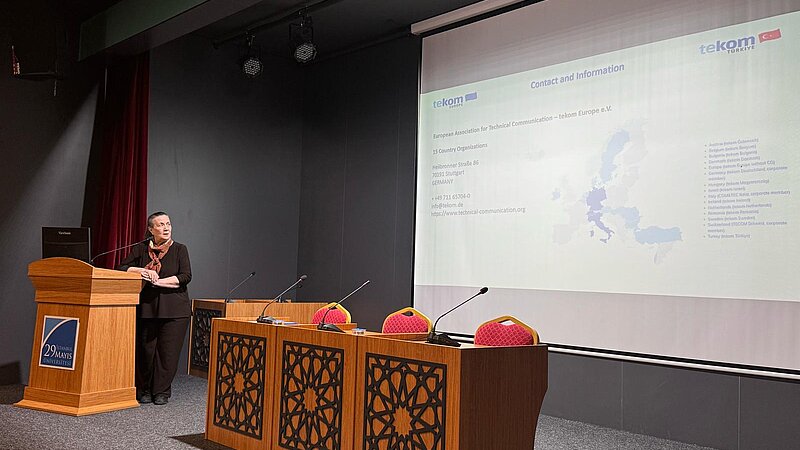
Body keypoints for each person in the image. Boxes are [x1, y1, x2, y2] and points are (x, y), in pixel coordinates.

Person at [117, 212, 192, 405]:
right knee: (146, 351)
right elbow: (122, 268)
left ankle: (161, 391)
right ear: (151, 229)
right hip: (147, 308)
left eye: (168, 224)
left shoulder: (179, 249)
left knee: (168, 354)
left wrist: (158, 282)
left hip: (175, 310)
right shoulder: (141, 249)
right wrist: (144, 271)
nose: (166, 228)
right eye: (161, 224)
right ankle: (144, 390)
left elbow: (185, 276)